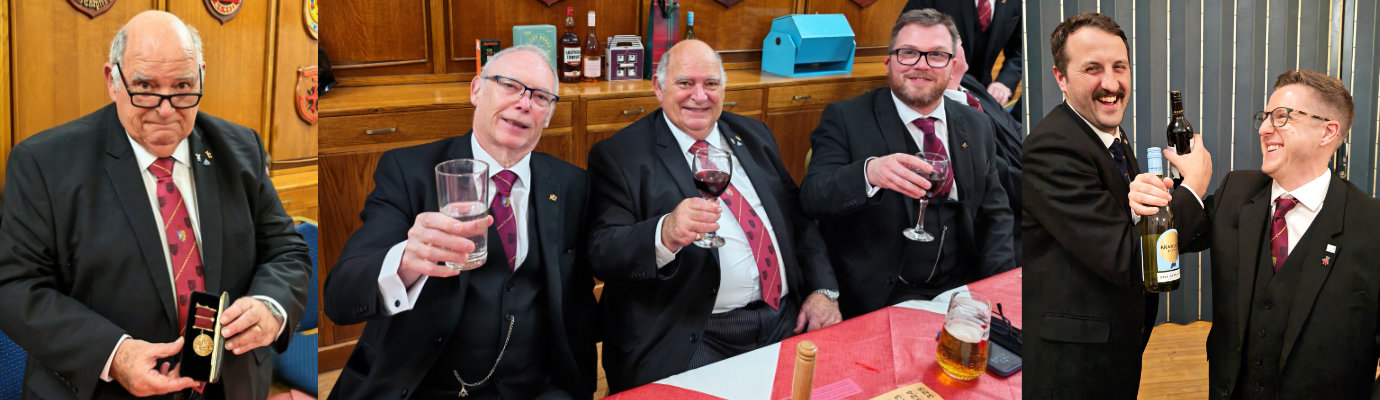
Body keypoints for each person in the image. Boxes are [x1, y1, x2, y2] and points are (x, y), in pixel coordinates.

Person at [0, 11, 311, 399]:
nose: (165, 110)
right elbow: (15, 286)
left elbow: (287, 250)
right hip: (103, 389)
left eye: (182, 86)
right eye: (145, 87)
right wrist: (114, 354)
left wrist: (271, 306)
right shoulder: (43, 164)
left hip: (231, 385)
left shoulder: (240, 149)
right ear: (113, 81)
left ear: (201, 76)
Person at [321, 45, 596, 399]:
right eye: (509, 85)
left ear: (549, 114)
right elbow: (340, 295)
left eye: (540, 96)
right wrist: (405, 262)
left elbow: (578, 304)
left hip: (534, 388)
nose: (524, 103)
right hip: (423, 386)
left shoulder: (572, 184)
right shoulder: (408, 172)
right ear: (476, 89)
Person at [587, 39, 842, 392]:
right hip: (694, 332)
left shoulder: (754, 134)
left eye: (711, 84)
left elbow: (797, 220)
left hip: (784, 317)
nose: (700, 95)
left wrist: (822, 290)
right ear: (659, 88)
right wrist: (664, 234)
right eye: (685, 83)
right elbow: (602, 251)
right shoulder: (619, 155)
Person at [1130, 70, 1380, 398]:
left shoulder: (1371, 224)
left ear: (1327, 131)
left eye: (1281, 117)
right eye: (1264, 117)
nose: (1263, 129)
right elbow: (1175, 237)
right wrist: (1158, 197)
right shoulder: (1237, 192)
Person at [800, 9, 1015, 319]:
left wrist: (998, 291)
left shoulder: (976, 125)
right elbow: (811, 198)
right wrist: (869, 173)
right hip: (878, 298)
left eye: (936, 55)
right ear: (889, 62)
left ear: (953, 66)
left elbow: (996, 214)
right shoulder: (845, 118)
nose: (921, 65)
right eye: (908, 53)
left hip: (960, 293)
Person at [1021, 12, 1156, 398]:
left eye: (1120, 67)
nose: (1111, 83)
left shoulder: (1108, 133)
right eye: (1092, 69)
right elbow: (1123, 255)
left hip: (1113, 341)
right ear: (1060, 78)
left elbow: (1118, 218)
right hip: (1074, 361)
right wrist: (1194, 188)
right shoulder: (1052, 148)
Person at [943, 39, 1022, 264]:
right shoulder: (947, 116)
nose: (963, 42)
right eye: (956, 41)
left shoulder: (969, 83)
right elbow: (1000, 175)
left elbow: (1012, 125)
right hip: (1012, 216)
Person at [902, 0, 1021, 105]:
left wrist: (1005, 82)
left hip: (982, 96)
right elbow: (906, 36)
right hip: (932, 94)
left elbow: (1020, 47)